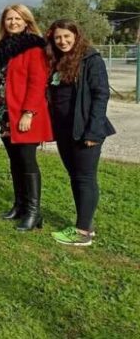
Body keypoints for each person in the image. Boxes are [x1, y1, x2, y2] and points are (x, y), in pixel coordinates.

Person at [46, 19, 114, 246]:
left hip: (86, 130)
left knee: (85, 177)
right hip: (65, 130)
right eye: (58, 37)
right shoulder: (58, 61)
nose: (62, 41)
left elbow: (100, 95)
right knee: (75, 176)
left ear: (76, 36)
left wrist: (93, 132)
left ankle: (83, 232)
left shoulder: (91, 60)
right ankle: (85, 225)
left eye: (67, 36)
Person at [0, 4, 52, 231]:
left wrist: (28, 112)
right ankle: (20, 206)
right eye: (9, 19)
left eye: (18, 19)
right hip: (4, 113)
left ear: (27, 22)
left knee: (27, 162)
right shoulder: (3, 48)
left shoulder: (34, 47)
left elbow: (38, 82)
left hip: (23, 114)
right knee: (15, 162)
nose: (13, 22)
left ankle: (34, 213)